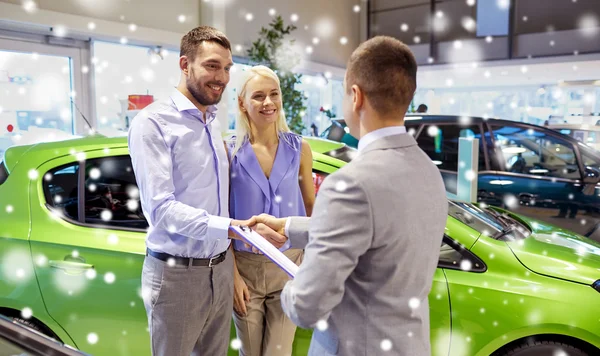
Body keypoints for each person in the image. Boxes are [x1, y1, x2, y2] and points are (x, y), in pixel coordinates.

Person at [252, 36, 448, 356]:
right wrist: (289, 228)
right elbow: (380, 231)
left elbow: (307, 306)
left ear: (355, 97)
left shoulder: (351, 183)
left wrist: (286, 289)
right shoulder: (428, 170)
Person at [128, 26, 254, 356]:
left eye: (227, 68)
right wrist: (227, 228)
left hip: (221, 270)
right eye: (212, 66)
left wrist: (231, 264)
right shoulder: (153, 123)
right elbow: (161, 210)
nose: (223, 77)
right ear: (185, 65)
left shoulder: (210, 121)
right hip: (176, 277)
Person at [228, 65, 315, 356]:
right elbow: (222, 218)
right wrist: (233, 276)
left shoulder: (300, 148)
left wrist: (309, 267)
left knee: (279, 353)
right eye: (259, 96)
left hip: (289, 266)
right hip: (245, 269)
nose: (268, 103)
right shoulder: (228, 152)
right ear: (242, 103)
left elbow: (312, 211)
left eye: (273, 94)